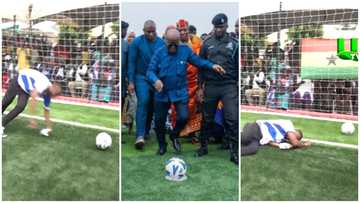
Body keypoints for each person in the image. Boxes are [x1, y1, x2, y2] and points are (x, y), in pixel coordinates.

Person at [146, 28, 225, 155]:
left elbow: (199, 61)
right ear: (165, 40)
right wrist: (155, 81)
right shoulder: (159, 53)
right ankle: (162, 145)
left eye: (175, 43)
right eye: (169, 43)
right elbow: (150, 71)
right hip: (162, 92)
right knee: (159, 121)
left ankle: (174, 134)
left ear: (179, 41)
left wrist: (212, 66)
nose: (172, 46)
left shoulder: (185, 50)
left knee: (184, 116)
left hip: (179, 91)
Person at [195, 13, 239, 165]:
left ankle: (234, 152)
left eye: (221, 27)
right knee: (207, 118)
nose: (218, 30)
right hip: (211, 85)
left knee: (232, 118)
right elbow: (201, 66)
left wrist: (238, 85)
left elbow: (239, 66)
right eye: (216, 27)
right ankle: (203, 146)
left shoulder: (235, 43)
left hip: (229, 85)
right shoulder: (206, 43)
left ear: (226, 26)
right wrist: (200, 87)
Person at [128, 20, 165, 150]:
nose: (151, 34)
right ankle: (139, 135)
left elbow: (164, 63)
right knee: (143, 101)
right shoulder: (136, 42)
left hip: (155, 78)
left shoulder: (161, 43)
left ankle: (147, 130)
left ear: (156, 30)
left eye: (153, 31)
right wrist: (131, 81)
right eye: (148, 32)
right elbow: (131, 62)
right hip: (141, 77)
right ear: (143, 31)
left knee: (153, 105)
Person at [2, 69, 62, 137]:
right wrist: (32, 119)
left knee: (20, 107)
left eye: (54, 95)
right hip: (19, 79)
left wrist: (49, 127)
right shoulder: (43, 85)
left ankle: (1, 125)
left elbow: (46, 110)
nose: (52, 96)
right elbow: (33, 100)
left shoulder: (49, 94)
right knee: (7, 101)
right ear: (52, 87)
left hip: (26, 89)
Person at [169, 19, 202, 137]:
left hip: (194, 83)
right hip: (178, 83)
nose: (182, 32)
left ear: (188, 30)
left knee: (193, 108)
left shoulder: (197, 43)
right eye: (180, 30)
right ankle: (176, 133)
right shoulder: (172, 45)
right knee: (175, 109)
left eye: (184, 30)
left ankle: (191, 133)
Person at [241, 120, 311, 156]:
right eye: (295, 136)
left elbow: (268, 142)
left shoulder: (281, 138)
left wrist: (280, 145)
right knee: (245, 138)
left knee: (253, 149)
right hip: (255, 128)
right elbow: (295, 143)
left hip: (258, 138)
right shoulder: (288, 124)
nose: (291, 138)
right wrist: (304, 144)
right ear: (294, 130)